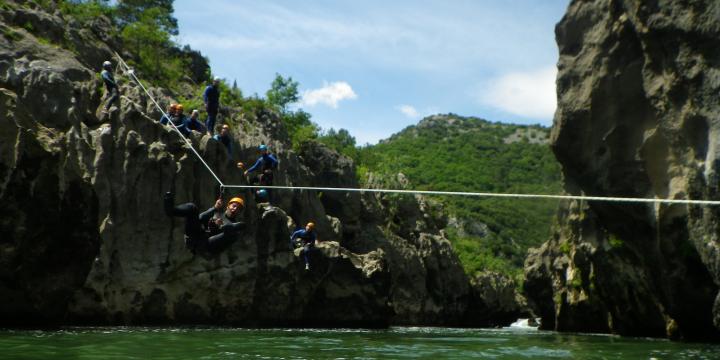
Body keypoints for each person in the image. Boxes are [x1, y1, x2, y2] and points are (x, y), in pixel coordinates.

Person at [164, 192, 246, 254]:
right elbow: (200, 218)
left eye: (238, 209)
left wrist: (219, 228)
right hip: (196, 237)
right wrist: (214, 208)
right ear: (228, 206)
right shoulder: (217, 213)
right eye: (234, 206)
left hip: (208, 246)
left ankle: (227, 228)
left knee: (232, 232)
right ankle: (171, 210)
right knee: (192, 207)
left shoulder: (235, 227)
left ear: (240, 212)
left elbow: (222, 243)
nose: (235, 209)